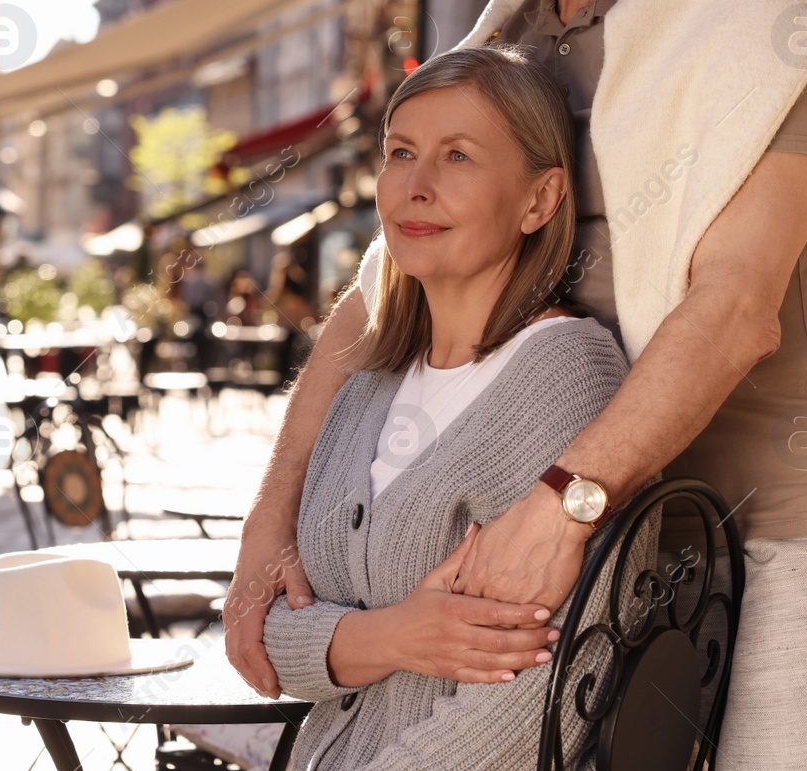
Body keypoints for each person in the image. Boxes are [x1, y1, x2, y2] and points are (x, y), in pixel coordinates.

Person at [226, 0, 807, 769]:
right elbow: (380, 295)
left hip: (755, 515)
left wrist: (564, 502)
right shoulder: (503, 42)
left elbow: (733, 310)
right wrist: (267, 524)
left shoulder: (752, 27)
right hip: (557, 527)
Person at [261, 46, 644, 770]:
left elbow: (546, 688)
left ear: (540, 199)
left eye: (458, 156)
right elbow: (273, 637)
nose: (416, 185)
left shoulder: (567, 376)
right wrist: (397, 635)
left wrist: (348, 642)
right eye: (400, 151)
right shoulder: (368, 380)